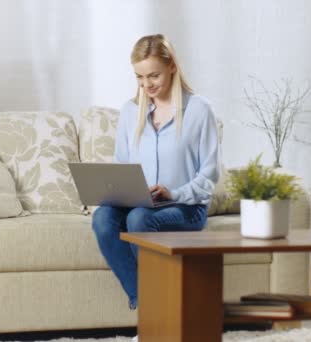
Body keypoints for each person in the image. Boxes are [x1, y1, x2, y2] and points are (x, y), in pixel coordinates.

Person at [91, 34, 219, 311]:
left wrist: (174, 192)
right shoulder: (130, 111)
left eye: (153, 75)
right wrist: (114, 191)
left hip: (185, 206)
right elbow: (121, 164)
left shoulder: (199, 110)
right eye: (139, 77)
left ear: (172, 66)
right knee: (103, 217)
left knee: (139, 219)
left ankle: (154, 314)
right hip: (141, 202)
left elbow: (208, 177)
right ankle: (149, 304)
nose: (146, 84)